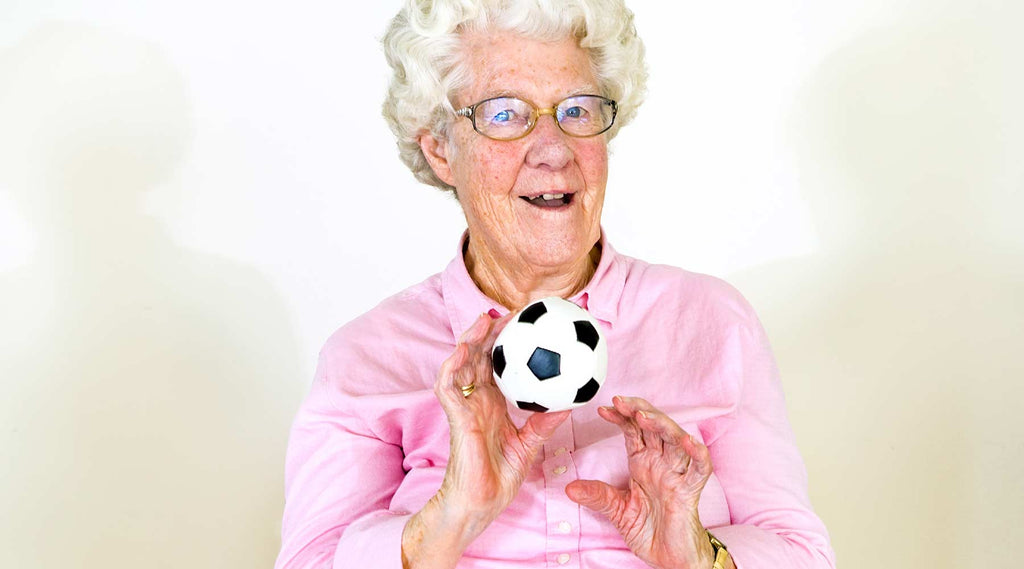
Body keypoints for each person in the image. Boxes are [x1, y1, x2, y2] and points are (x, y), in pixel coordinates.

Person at [275, 1, 835, 568]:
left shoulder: (708, 321)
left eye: (578, 110)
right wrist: (452, 515)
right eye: (503, 114)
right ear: (441, 149)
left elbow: (804, 554)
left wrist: (696, 556)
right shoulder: (368, 358)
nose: (554, 149)